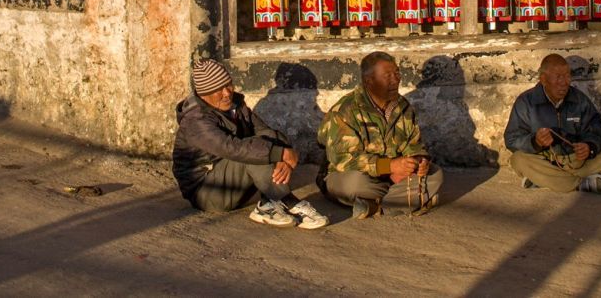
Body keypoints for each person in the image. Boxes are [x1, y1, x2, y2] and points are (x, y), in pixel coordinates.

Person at [172, 59, 329, 229]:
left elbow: (264, 130)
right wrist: (279, 153)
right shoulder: (196, 121)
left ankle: (268, 203)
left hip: (236, 187)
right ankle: (288, 201)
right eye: (217, 90)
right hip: (208, 191)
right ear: (203, 94)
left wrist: (284, 152)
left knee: (263, 145)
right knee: (250, 149)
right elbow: (232, 148)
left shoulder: (236, 105)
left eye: (228, 85)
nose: (226, 93)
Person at [318, 51, 443, 218]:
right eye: (387, 75)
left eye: (397, 73)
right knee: (353, 185)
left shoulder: (402, 107)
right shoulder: (345, 110)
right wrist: (389, 166)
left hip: (392, 178)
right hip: (354, 176)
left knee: (436, 174)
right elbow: (343, 160)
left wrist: (419, 160)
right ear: (369, 81)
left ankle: (373, 206)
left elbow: (414, 144)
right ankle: (410, 199)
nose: (396, 79)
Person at [503, 54, 601, 193]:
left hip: (575, 161)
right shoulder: (526, 102)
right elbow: (512, 139)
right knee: (518, 160)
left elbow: (596, 129)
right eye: (558, 77)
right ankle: (580, 184)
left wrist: (588, 147)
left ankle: (544, 180)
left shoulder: (579, 100)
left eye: (567, 76)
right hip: (543, 159)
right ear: (543, 79)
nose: (564, 82)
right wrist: (535, 142)